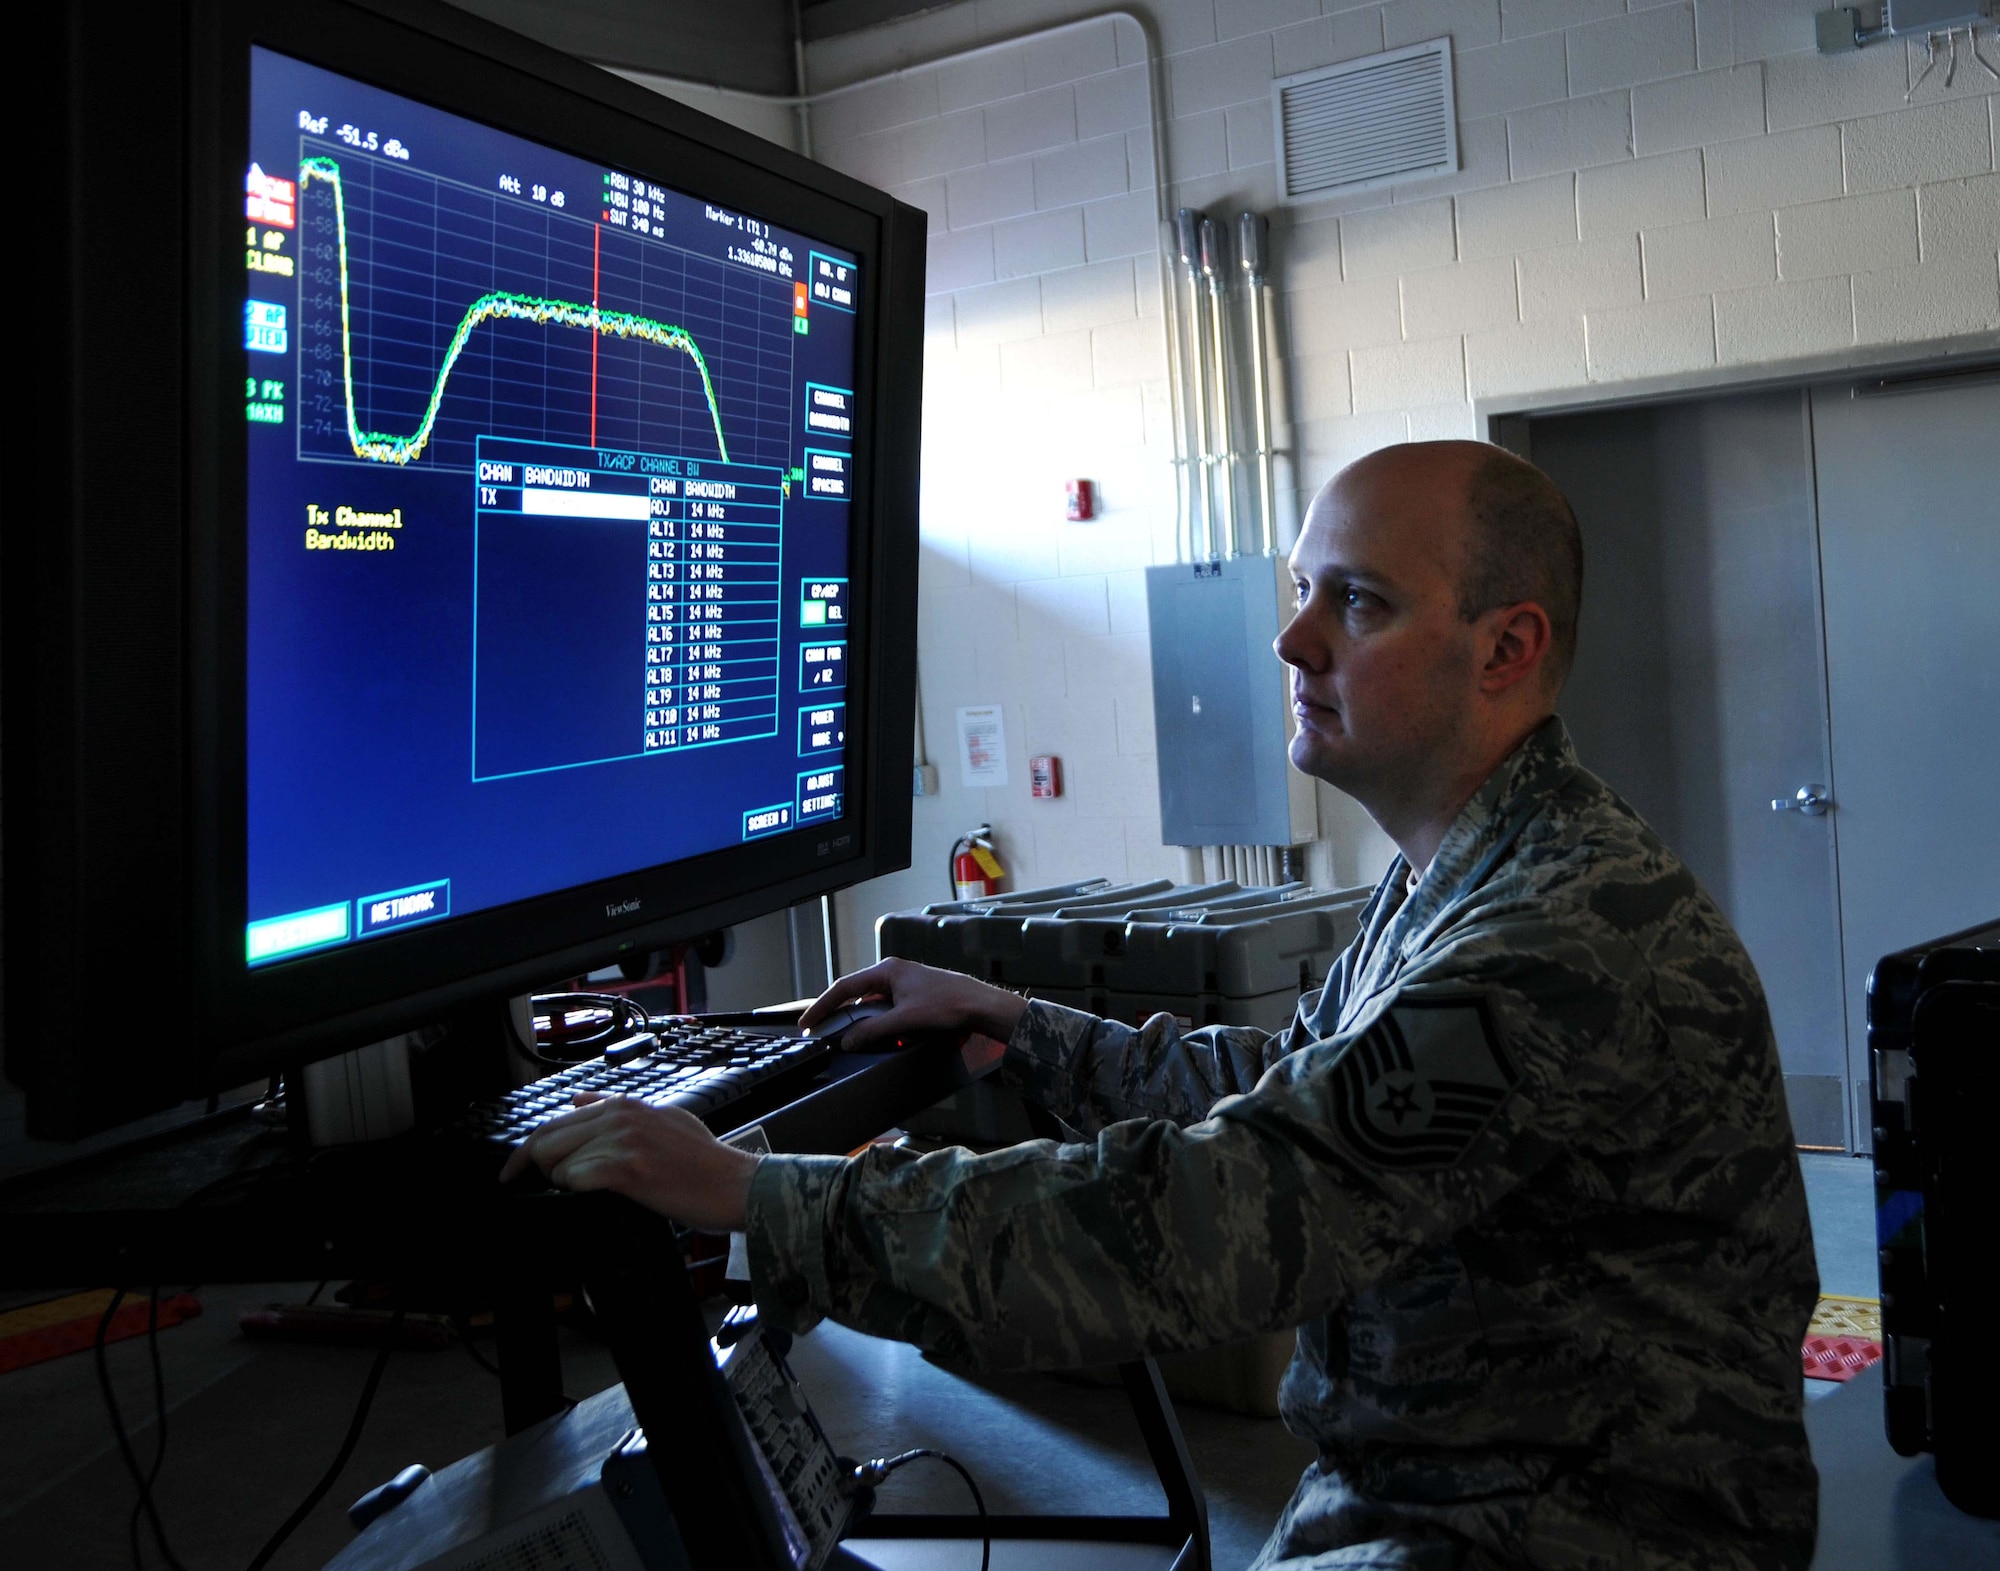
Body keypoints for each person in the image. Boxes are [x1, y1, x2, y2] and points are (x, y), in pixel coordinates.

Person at [504, 440, 1821, 1570]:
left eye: (1354, 604)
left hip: (1570, 1534)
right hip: (1447, 1494)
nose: (1291, 637)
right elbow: (1295, 1097)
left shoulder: (1553, 936)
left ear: (1507, 647)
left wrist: (763, 1197)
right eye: (1304, 590)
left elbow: (1207, 1223)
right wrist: (1027, 1026)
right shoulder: (1470, 870)